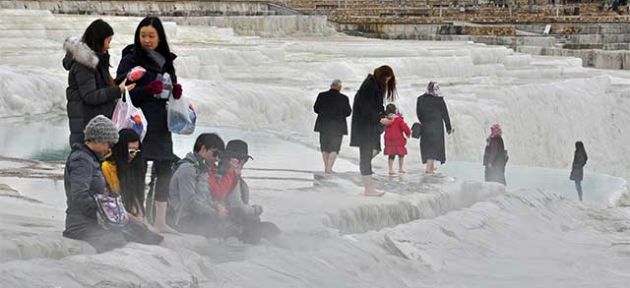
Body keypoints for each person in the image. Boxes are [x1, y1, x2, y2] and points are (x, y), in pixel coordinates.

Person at [116, 17, 182, 233]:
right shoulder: (130, 59)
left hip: (162, 121)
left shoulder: (166, 60)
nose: (146, 40)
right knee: (138, 166)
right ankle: (138, 216)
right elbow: (121, 89)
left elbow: (169, 84)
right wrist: (146, 90)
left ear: (159, 37)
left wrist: (176, 91)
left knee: (164, 168)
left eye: (151, 36)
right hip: (139, 122)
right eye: (143, 35)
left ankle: (161, 221)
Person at [63, 115, 162, 253]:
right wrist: (107, 214)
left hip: (98, 221)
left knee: (145, 235)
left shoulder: (92, 159)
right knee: (120, 240)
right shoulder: (81, 161)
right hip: (82, 224)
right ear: (98, 139)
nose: (109, 148)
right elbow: (80, 196)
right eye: (108, 143)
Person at [63, 19, 135, 147]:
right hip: (87, 127)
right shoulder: (83, 65)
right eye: (108, 41)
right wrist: (118, 91)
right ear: (98, 40)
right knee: (87, 163)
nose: (108, 46)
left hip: (95, 125)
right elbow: (90, 96)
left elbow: (104, 85)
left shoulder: (96, 62)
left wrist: (127, 78)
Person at [213, 140, 281, 244]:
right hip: (228, 223)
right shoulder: (231, 175)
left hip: (217, 220)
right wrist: (254, 210)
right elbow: (236, 204)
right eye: (244, 161)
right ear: (240, 160)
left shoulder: (215, 171)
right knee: (270, 229)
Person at [350, 65, 396, 196]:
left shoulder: (374, 85)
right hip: (364, 127)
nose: (387, 82)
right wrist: (380, 119)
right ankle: (369, 189)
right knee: (366, 155)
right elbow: (365, 108)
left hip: (368, 126)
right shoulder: (369, 86)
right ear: (382, 76)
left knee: (372, 151)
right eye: (387, 79)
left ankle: (368, 185)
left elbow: (376, 106)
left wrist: (385, 114)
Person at [168, 133, 226, 238]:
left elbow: (205, 199)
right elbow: (189, 202)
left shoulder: (202, 170)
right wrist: (214, 213)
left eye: (220, 155)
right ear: (203, 149)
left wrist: (217, 206)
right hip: (185, 219)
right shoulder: (188, 169)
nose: (217, 158)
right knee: (223, 229)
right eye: (215, 153)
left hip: (200, 215)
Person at [102, 129, 148, 225]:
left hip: (129, 212)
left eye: (137, 150)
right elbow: (107, 201)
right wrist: (133, 219)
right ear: (121, 149)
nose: (134, 155)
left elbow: (136, 194)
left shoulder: (134, 165)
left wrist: (140, 215)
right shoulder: (106, 167)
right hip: (113, 213)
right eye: (131, 151)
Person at [313, 79, 352, 174]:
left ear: (331, 86)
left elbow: (316, 109)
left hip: (323, 125)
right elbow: (348, 112)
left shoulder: (321, 95)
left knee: (324, 147)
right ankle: (329, 168)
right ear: (339, 87)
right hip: (338, 127)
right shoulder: (344, 98)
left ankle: (326, 167)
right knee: (335, 148)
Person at [416, 81, 452, 174]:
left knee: (427, 146)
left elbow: (418, 113)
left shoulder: (420, 99)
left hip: (425, 125)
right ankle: (429, 168)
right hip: (436, 127)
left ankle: (431, 166)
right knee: (433, 147)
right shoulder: (439, 99)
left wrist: (423, 121)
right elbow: (445, 114)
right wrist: (448, 127)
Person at [383, 104, 411, 176]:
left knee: (391, 154)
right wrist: (408, 133)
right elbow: (404, 127)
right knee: (401, 154)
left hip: (389, 139)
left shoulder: (385, 119)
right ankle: (400, 168)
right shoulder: (399, 119)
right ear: (395, 110)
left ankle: (390, 169)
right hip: (398, 139)